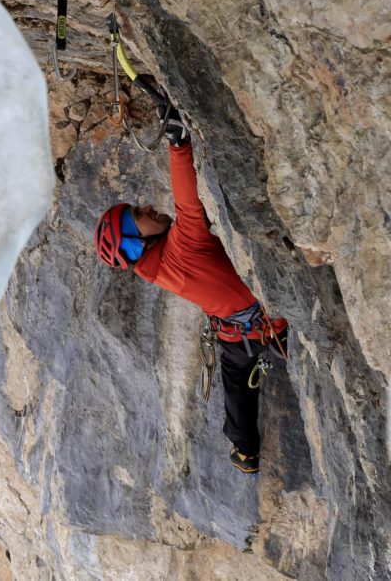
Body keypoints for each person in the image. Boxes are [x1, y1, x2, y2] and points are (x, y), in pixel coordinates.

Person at [94, 109, 288, 474]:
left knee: (237, 386)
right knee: (237, 378)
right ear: (137, 243)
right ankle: (243, 448)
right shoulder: (182, 250)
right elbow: (188, 204)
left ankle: (245, 452)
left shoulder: (159, 268)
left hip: (237, 331)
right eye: (139, 213)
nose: (149, 207)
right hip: (258, 327)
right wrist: (178, 143)